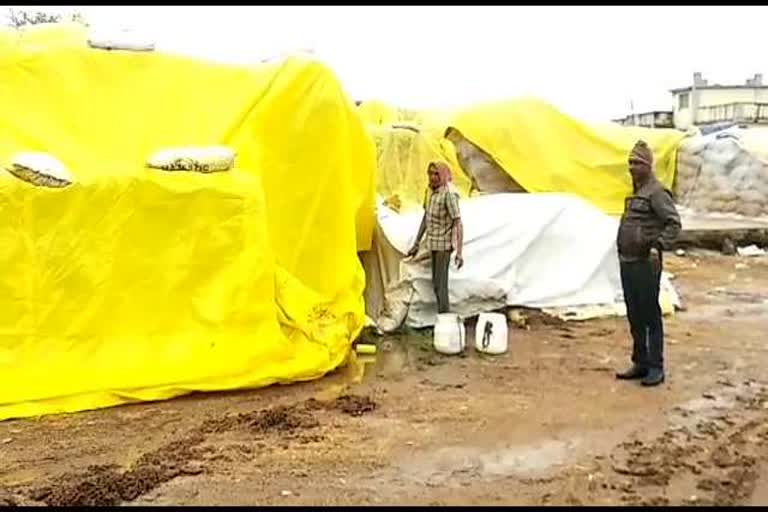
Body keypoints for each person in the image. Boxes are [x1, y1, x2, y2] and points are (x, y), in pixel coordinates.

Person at [615, 140, 682, 387]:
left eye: (636, 163)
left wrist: (658, 245)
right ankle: (640, 361)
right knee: (634, 314)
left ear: (648, 166)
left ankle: (656, 366)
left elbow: (674, 223)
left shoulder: (656, 193)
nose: (631, 167)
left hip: (646, 262)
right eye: (630, 163)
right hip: (629, 262)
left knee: (649, 314)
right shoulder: (636, 194)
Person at [406, 161, 464, 314]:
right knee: (436, 284)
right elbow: (426, 218)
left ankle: (445, 319)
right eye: (430, 173)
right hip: (433, 243)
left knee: (441, 285)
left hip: (444, 246)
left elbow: (458, 222)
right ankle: (443, 317)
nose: (432, 177)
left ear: (443, 175)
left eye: (436, 174)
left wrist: (459, 252)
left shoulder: (449, 195)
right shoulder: (430, 194)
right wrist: (416, 243)